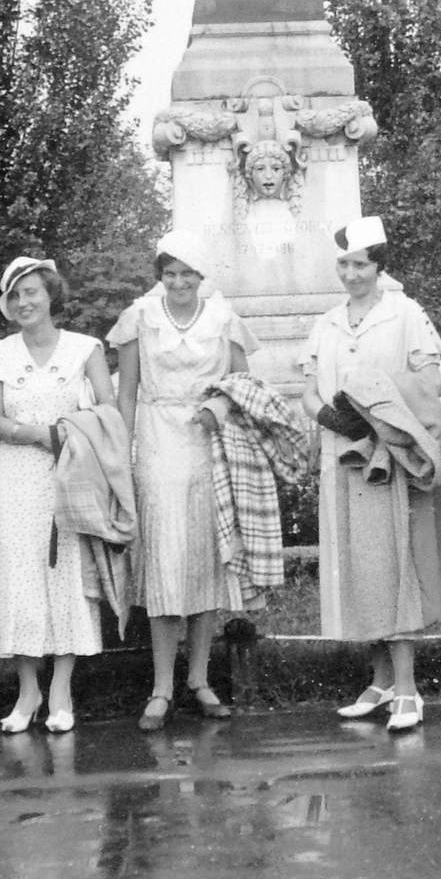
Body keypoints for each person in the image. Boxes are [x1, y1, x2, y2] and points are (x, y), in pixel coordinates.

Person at [301, 217, 441, 732]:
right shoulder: (326, 323)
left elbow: (428, 381)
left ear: (380, 265)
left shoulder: (405, 314)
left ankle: (409, 688)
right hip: (341, 457)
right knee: (361, 569)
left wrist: (377, 411)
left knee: (393, 568)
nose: (351, 273)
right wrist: (327, 414)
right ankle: (382, 678)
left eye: (361, 264)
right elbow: (307, 388)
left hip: (386, 458)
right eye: (343, 263)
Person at [109, 230, 261, 730]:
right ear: (160, 276)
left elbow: (244, 386)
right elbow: (126, 392)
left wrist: (218, 405)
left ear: (201, 277)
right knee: (165, 562)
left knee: (203, 563)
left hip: (207, 446)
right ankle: (160, 688)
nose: (178, 282)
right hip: (157, 444)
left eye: (187, 274)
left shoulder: (223, 317)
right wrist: (120, 458)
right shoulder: (139, 318)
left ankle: (198, 679)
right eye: (169, 273)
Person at [0, 256, 117, 735]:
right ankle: (27, 690)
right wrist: (38, 434)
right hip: (17, 477)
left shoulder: (84, 349)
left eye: (32, 292)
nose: (24, 303)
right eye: (15, 296)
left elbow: (108, 410)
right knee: (19, 574)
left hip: (71, 474)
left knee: (66, 574)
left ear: (50, 295)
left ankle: (60, 689)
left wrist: (70, 434)